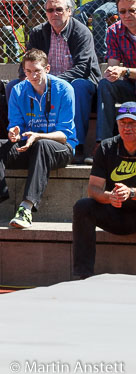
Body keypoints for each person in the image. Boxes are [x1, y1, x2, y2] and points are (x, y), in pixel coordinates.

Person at [0, 49, 76, 229]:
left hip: (61, 148)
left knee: (42, 145)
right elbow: (16, 124)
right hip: (29, 145)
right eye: (28, 71)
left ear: (47, 68)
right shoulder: (19, 90)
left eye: (37, 71)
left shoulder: (64, 89)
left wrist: (38, 135)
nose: (33, 76)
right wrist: (14, 132)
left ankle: (26, 208)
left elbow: (64, 134)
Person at [10, 0, 99, 164]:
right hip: (41, 81)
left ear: (69, 11)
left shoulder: (81, 32)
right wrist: (25, 79)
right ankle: (18, 138)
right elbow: (26, 62)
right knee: (13, 86)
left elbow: (83, 68)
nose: (54, 14)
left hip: (76, 81)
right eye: (50, 10)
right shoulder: (38, 32)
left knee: (77, 87)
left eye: (59, 9)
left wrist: (54, 83)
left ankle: (76, 144)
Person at [71, 102, 136, 280]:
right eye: (123, 123)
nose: (127, 128)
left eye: (132, 123)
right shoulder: (107, 147)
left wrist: (131, 193)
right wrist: (109, 197)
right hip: (115, 213)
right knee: (83, 207)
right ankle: (82, 275)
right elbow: (93, 188)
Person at [96, 0, 136, 143]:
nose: (126, 15)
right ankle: (103, 143)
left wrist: (124, 71)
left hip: (129, 78)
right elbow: (113, 65)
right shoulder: (113, 31)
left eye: (132, 10)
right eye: (122, 11)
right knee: (105, 84)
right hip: (129, 85)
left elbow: (122, 71)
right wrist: (112, 72)